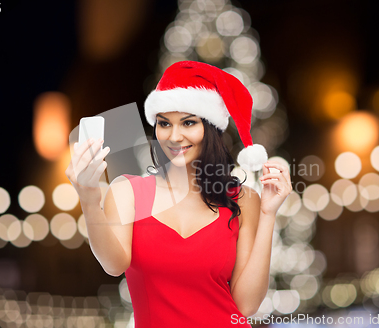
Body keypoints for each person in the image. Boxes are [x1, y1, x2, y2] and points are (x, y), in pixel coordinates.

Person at [65, 61, 292, 327]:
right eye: (164, 123)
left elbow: (246, 305)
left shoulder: (243, 199)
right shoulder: (128, 191)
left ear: (210, 127)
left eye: (188, 122)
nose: (174, 136)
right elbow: (114, 265)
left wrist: (268, 214)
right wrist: (90, 201)